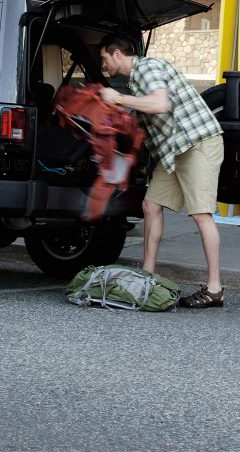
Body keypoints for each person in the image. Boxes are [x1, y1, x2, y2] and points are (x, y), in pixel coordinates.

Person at [97, 34, 226, 308]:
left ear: (117, 54)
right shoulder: (137, 80)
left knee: (201, 214)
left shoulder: (148, 68)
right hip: (174, 151)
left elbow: (160, 104)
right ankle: (147, 276)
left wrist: (119, 98)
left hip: (196, 144)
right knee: (150, 205)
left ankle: (215, 288)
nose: (103, 64)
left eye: (104, 58)